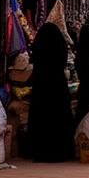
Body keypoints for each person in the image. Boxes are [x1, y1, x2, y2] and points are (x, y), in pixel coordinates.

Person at [27, 22, 74, 162]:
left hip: (41, 88)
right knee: (59, 119)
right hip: (58, 87)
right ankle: (61, 152)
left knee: (42, 119)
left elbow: (33, 57)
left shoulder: (40, 58)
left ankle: (40, 152)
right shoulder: (60, 49)